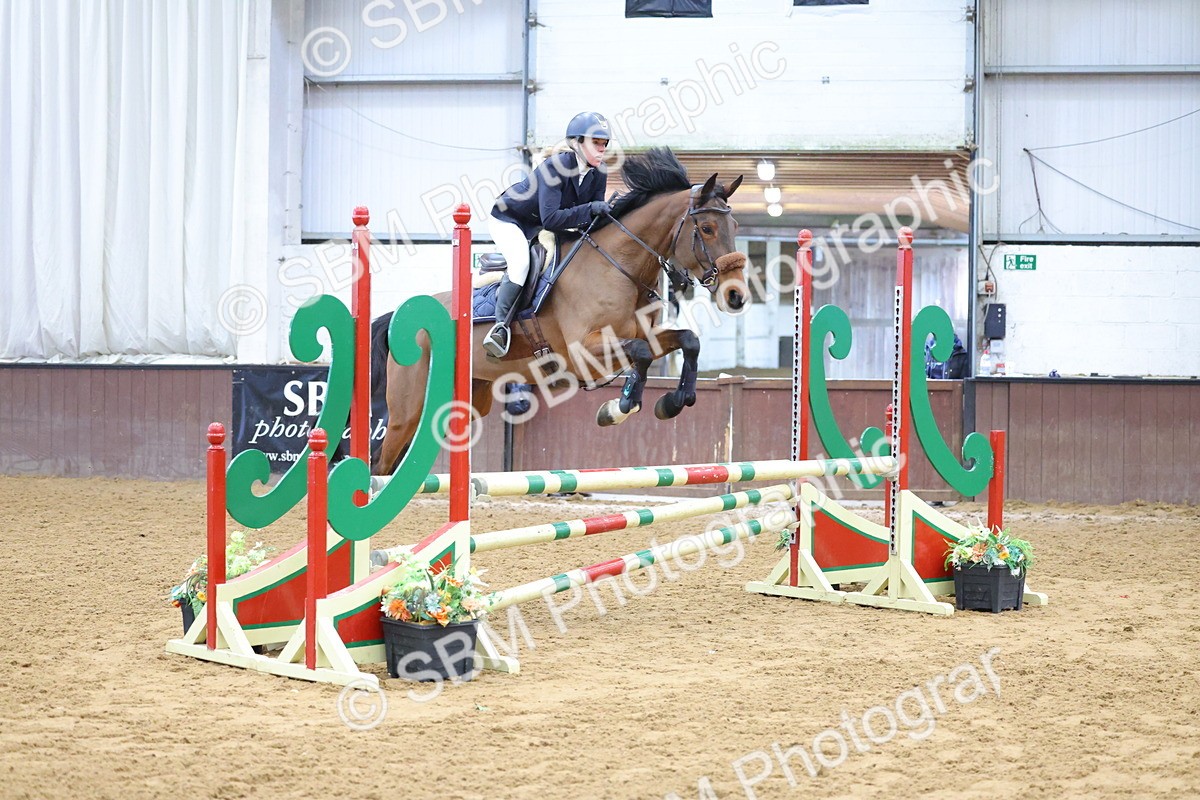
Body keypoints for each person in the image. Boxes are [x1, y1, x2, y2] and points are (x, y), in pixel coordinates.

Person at [483, 111, 613, 358]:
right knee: (521, 263)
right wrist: (590, 209)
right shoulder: (555, 168)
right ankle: (499, 328)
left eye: (604, 144)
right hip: (510, 219)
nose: (602, 149)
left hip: (542, 224)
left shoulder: (600, 172)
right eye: (596, 143)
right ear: (577, 143)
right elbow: (551, 219)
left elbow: (591, 218)